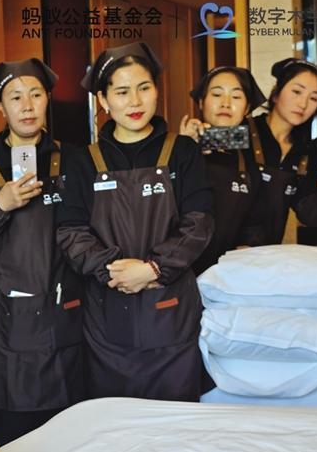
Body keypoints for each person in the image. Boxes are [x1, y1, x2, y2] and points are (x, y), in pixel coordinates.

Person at [57, 42, 213, 402]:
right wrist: (115, 272)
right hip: (106, 315)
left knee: (175, 416)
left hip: (170, 311)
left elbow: (199, 223)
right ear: (103, 100)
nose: (135, 101)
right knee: (114, 418)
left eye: (144, 88)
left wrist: (152, 268)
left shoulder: (182, 151)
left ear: (157, 91)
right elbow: (70, 232)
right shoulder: (83, 161)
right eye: (122, 92)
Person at [0, 58, 84, 447]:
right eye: (15, 97)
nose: (27, 106)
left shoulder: (74, 158)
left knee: (69, 429)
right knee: (14, 430)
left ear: (47, 100)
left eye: (36, 94)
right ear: (0, 106)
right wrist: (0, 203)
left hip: (65, 308)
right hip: (5, 318)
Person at [245, 57, 317, 245]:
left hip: (266, 257)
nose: (303, 104)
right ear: (276, 94)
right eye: (297, 91)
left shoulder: (304, 154)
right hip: (221, 254)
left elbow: (311, 215)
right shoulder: (242, 132)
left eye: (313, 98)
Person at [179, 67, 267, 274]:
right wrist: (184, 151)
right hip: (178, 274)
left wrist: (247, 251)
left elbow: (254, 223)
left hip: (225, 278)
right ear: (201, 102)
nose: (226, 103)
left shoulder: (252, 161)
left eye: (236, 96)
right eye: (217, 94)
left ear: (247, 109)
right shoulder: (179, 149)